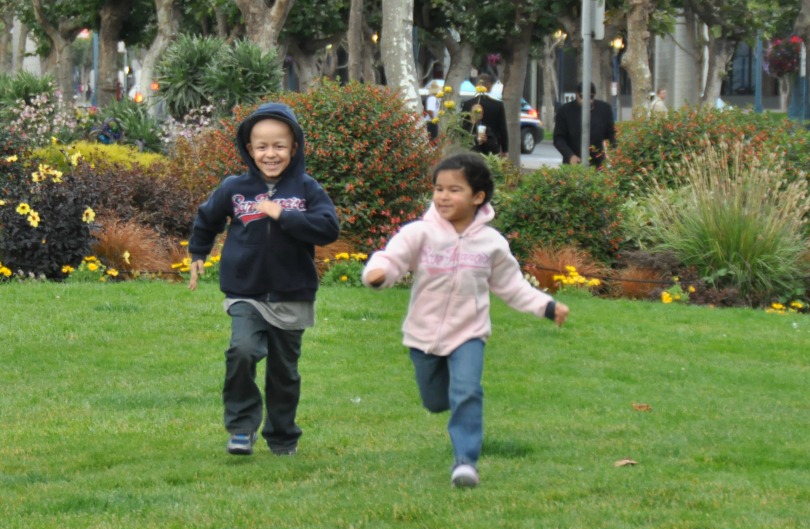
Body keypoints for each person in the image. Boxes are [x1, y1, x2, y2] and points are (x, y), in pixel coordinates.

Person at [361, 152, 569, 488]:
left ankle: (465, 463)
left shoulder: (491, 243)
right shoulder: (420, 233)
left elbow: (512, 286)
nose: (443, 196)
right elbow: (393, 257)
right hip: (423, 333)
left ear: (478, 197)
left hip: (469, 332)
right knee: (435, 400)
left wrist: (546, 306)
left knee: (467, 391)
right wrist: (378, 273)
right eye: (438, 189)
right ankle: (448, 403)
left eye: (454, 190)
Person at [187, 102, 340, 456]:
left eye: (279, 146)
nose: (270, 154)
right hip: (246, 291)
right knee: (241, 351)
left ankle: (283, 436)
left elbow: (328, 228)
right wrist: (198, 252)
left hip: (292, 294)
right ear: (249, 149)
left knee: (283, 373)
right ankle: (241, 428)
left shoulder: (306, 189)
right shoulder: (234, 188)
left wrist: (284, 214)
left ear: (295, 147)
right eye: (262, 146)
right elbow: (207, 218)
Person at [553, 82, 616, 168]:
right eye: (582, 97)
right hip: (574, 162)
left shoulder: (605, 109)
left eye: (591, 97)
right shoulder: (565, 111)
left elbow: (611, 134)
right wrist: (570, 155)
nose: (587, 101)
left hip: (598, 163)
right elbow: (558, 138)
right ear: (577, 94)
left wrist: (614, 154)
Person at [461, 74, 509, 156]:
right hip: (492, 146)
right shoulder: (497, 105)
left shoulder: (468, 104)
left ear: (476, 86)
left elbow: (463, 125)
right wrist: (505, 149)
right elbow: (502, 128)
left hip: (472, 146)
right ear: (490, 86)